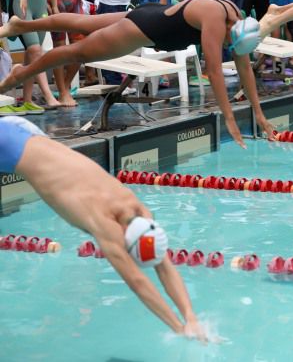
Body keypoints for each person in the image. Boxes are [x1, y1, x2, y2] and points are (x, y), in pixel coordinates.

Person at [0, 116, 206, 340]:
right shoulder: (105, 224)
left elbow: (163, 265)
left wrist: (190, 316)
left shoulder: (136, 209)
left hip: (22, 130)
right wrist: (179, 328)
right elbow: (137, 282)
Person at [0, 0, 276, 147]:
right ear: (232, 31)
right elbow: (214, 72)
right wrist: (228, 117)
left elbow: (245, 71)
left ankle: (20, 25)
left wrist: (259, 114)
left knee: (84, 21)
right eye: (230, 43)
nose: (229, 46)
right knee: (78, 52)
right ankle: (21, 73)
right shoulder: (216, 22)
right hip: (142, 31)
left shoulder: (233, 16)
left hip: (150, 11)